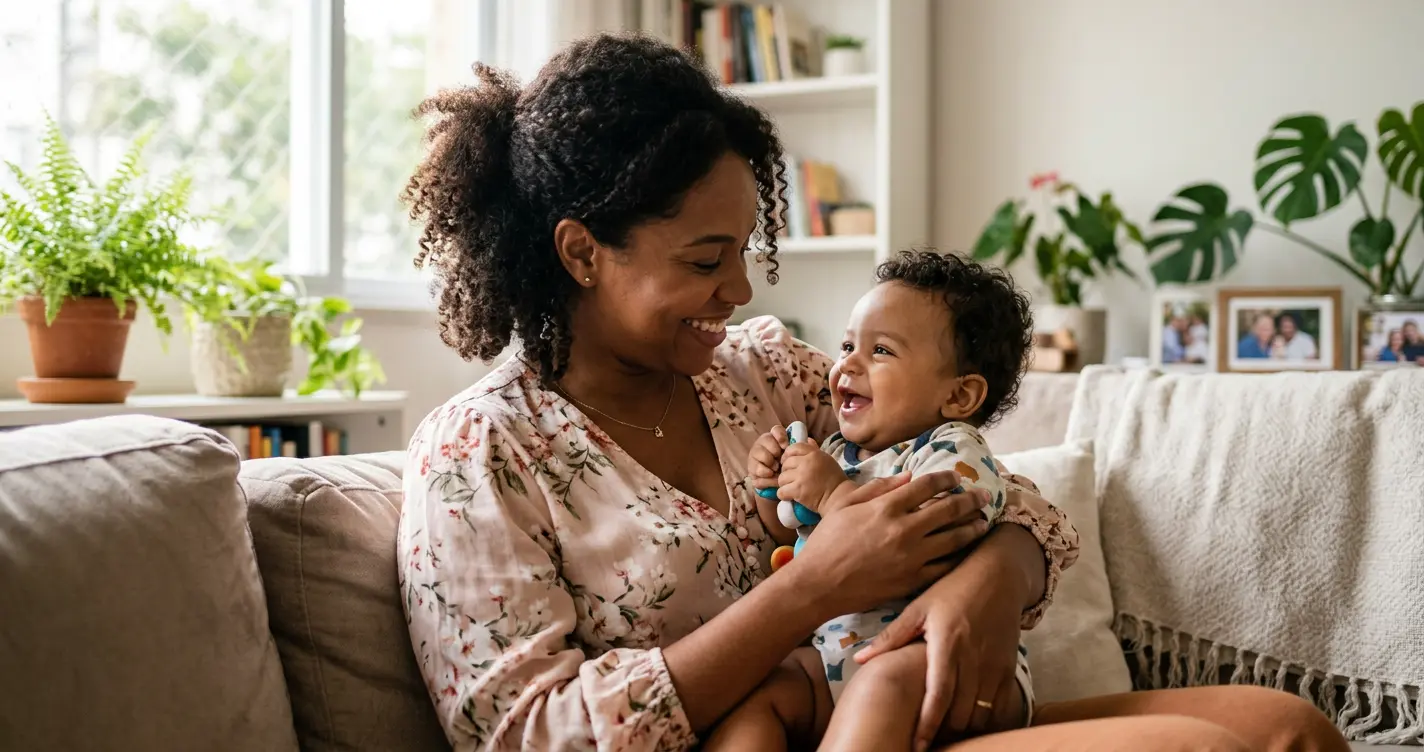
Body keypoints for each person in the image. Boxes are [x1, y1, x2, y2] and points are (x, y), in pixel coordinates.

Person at [397, 32, 1350, 752]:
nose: (738, 291)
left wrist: (994, 575)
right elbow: (531, 734)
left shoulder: (760, 372)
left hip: (903, 711)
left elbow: (974, 466)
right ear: (581, 253)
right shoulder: (477, 456)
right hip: (802, 729)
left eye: (744, 253)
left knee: (1290, 728)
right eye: (705, 260)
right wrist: (812, 588)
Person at [707, 251, 1034, 751]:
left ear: (960, 396)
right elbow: (795, 534)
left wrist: (833, 492)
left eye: (880, 351)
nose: (845, 365)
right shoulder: (840, 450)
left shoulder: (951, 451)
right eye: (845, 345)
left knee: (879, 689)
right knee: (759, 697)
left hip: (930, 661)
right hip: (833, 656)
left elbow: (934, 539)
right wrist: (774, 488)